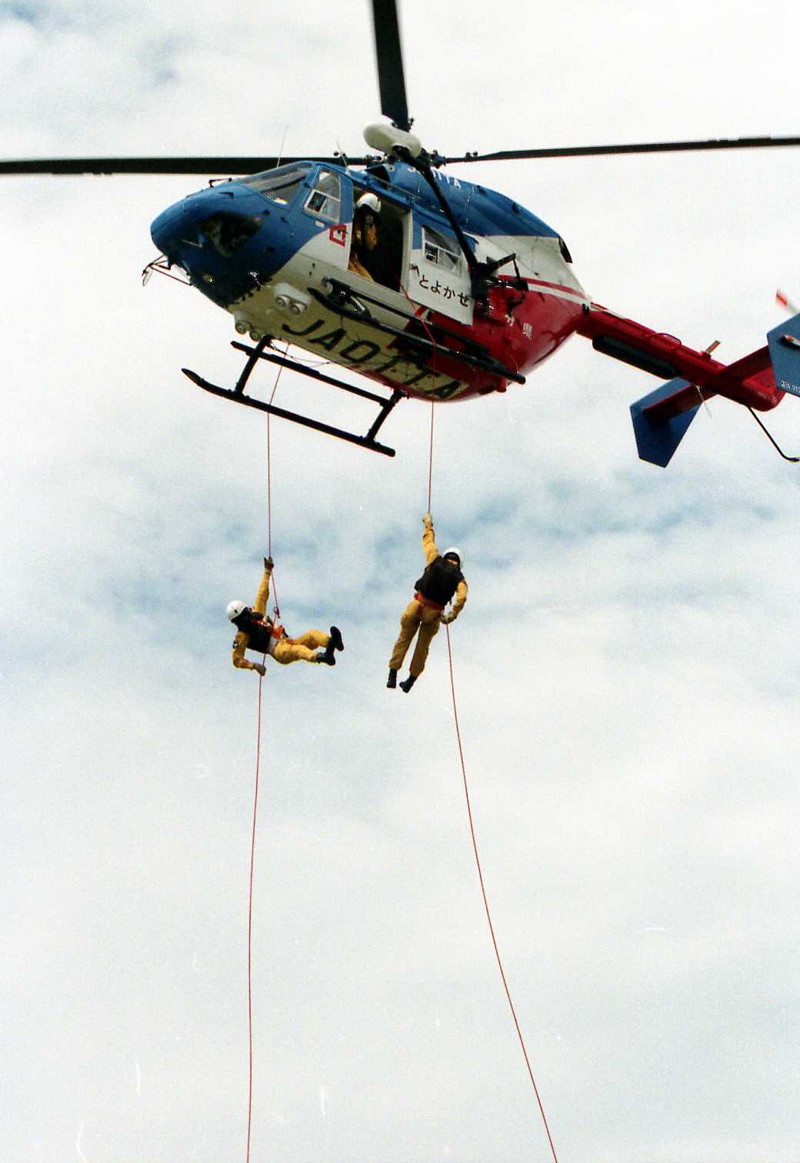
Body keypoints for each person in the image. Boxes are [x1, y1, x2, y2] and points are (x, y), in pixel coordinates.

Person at [387, 514, 467, 693]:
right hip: (434, 613)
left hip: (417, 605)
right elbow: (462, 597)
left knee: (404, 637)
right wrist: (452, 614)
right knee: (422, 646)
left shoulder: (434, 558)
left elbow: (428, 540)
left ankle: (392, 673)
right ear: (459, 563)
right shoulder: (459, 578)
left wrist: (428, 523)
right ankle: (410, 680)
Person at [227, 557, 344, 675]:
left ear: (247, 611)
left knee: (312, 635)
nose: (246, 620)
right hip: (279, 651)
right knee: (299, 650)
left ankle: (332, 642)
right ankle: (321, 657)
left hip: (289, 642)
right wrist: (254, 666)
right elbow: (237, 659)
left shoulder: (257, 614)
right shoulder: (242, 636)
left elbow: (262, 595)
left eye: (245, 615)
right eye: (241, 620)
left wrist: (267, 571)